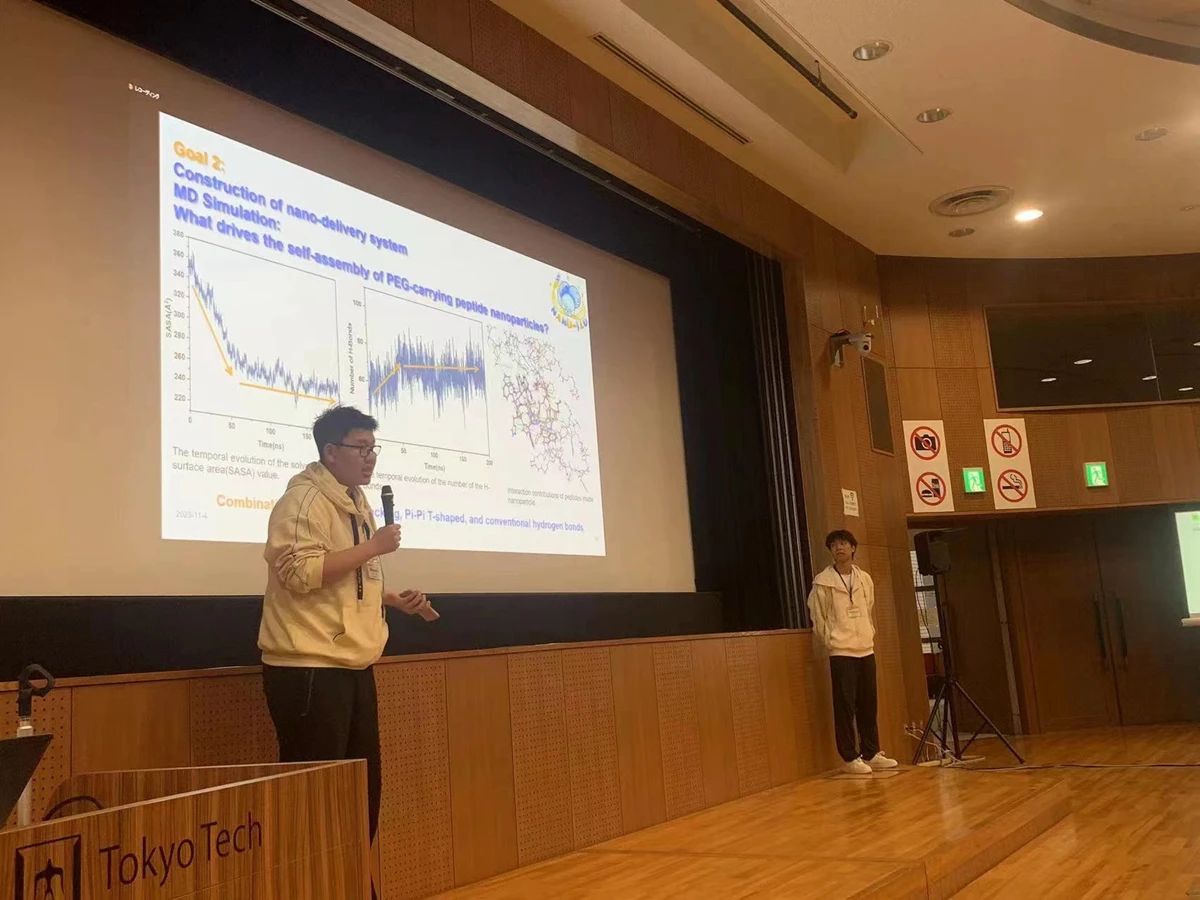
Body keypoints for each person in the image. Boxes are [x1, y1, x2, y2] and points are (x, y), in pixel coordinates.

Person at [258, 405, 434, 842]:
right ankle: (313, 876)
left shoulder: (355, 501)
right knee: (316, 797)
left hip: (353, 663)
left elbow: (352, 577)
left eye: (374, 448)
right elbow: (299, 572)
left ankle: (353, 874)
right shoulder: (303, 500)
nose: (370, 458)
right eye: (361, 448)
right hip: (309, 668)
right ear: (331, 452)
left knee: (360, 793)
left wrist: (391, 599)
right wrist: (374, 547)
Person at [807, 529, 898, 775]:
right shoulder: (823, 582)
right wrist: (830, 640)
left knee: (868, 703)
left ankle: (871, 752)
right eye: (834, 545)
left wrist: (868, 633)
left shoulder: (864, 579)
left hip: (865, 649)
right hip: (841, 651)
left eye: (843, 543)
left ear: (853, 548)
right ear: (830, 551)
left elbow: (868, 607)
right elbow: (818, 615)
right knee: (845, 706)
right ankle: (849, 757)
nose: (839, 548)